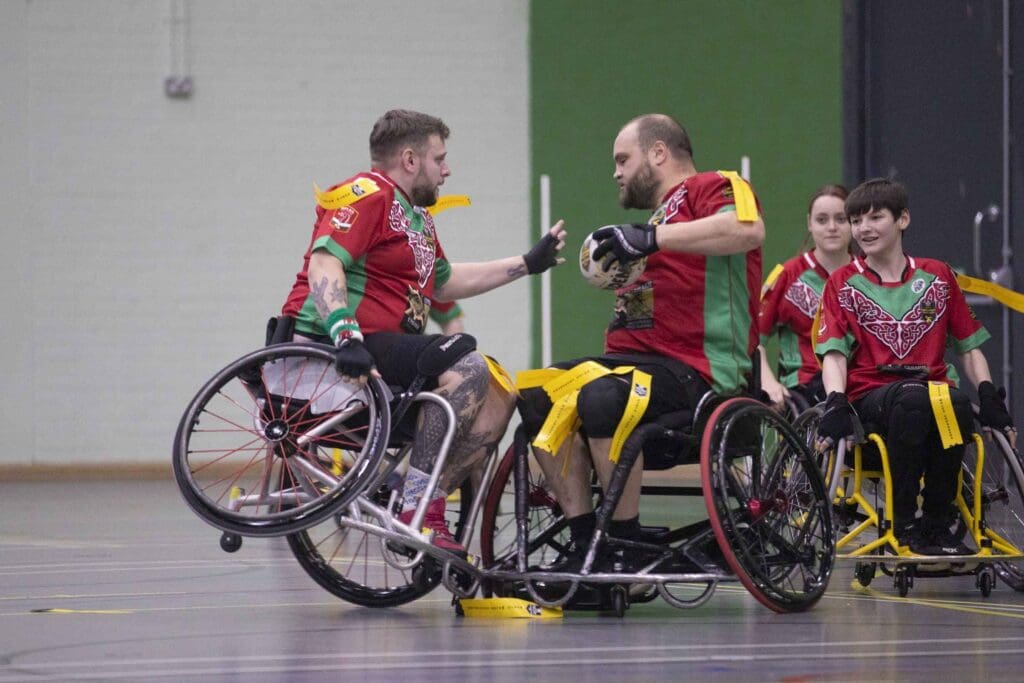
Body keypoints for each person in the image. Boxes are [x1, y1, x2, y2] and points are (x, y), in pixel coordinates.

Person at [279, 109, 567, 555]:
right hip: (337, 349)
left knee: (496, 396)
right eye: (440, 159)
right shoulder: (367, 194)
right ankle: (414, 503)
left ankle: (415, 500)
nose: (447, 170)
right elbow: (324, 261)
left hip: (384, 353)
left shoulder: (416, 216)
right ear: (410, 160)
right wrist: (344, 334)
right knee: (465, 362)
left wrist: (526, 264)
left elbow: (446, 283)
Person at [517, 113, 764, 569]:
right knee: (537, 390)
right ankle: (589, 542)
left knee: (602, 397)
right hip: (638, 366)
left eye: (622, 159)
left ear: (658, 153)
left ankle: (623, 543)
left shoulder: (716, 186)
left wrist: (651, 237)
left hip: (699, 375)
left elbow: (746, 230)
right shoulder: (654, 222)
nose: (616, 172)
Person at [815, 177, 1016, 555]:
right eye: (857, 221)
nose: (863, 229)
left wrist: (988, 395)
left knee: (955, 404)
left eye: (875, 218)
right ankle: (903, 521)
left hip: (932, 394)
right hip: (872, 397)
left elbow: (969, 348)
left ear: (903, 219)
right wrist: (836, 400)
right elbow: (833, 353)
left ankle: (937, 523)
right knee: (913, 399)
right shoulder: (842, 283)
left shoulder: (938, 276)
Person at [758, 185, 852, 411]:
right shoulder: (788, 274)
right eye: (822, 220)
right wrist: (768, 382)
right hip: (805, 385)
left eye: (841, 219)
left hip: (856, 382)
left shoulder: (865, 274)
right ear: (809, 223)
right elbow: (754, 340)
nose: (832, 227)